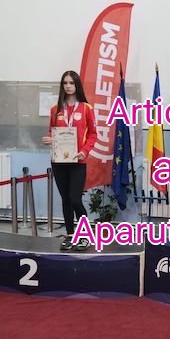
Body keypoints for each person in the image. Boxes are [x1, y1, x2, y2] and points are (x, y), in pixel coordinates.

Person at [42, 71, 97, 251]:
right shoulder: (55, 109)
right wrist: (49, 139)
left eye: (71, 83)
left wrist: (84, 151)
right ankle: (71, 235)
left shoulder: (86, 108)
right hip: (59, 161)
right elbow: (52, 131)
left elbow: (93, 134)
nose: (68, 86)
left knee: (75, 199)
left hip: (77, 162)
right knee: (65, 200)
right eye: (65, 83)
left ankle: (85, 236)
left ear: (77, 85)